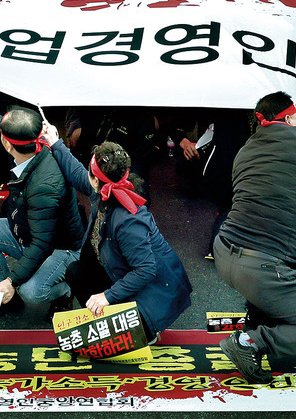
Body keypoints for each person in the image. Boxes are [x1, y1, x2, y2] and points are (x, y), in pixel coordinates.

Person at [213, 92, 296, 383]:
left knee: (291, 355)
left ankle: (257, 322)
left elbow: (272, 200)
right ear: (289, 118)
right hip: (264, 268)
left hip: (226, 253)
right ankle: (249, 342)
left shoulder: (245, 150)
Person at [45, 130, 192, 341]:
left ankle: (146, 331)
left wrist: (107, 296)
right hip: (119, 269)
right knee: (76, 271)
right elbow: (77, 173)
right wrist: (55, 142)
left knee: (109, 344)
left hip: (149, 294)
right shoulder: (105, 188)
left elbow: (146, 270)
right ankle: (107, 320)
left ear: (96, 180)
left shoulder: (129, 221)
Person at [0, 108, 85, 314]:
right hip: (28, 229)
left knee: (31, 291)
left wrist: (12, 280)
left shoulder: (44, 186)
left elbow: (42, 243)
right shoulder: (33, 143)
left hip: (60, 247)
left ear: (7, 144)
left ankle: (66, 290)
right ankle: (5, 296)